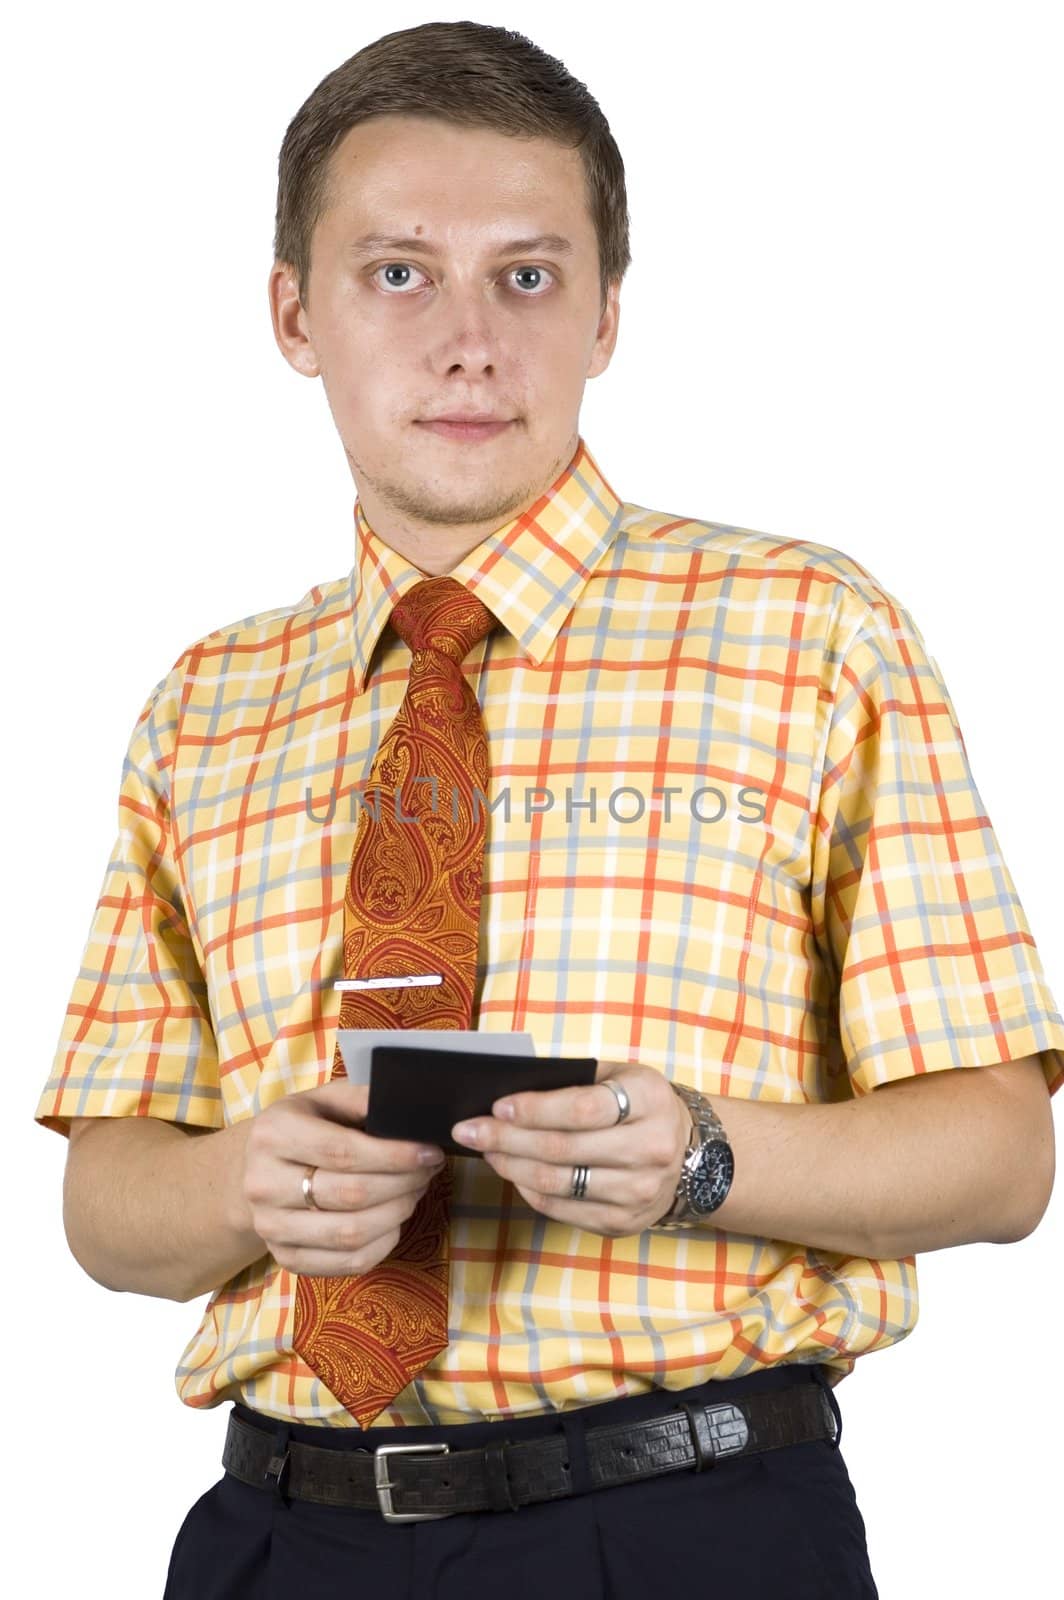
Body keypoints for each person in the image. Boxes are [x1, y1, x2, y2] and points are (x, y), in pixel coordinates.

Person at [35, 19, 1062, 1599]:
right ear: (293, 315)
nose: (467, 341)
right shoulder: (205, 703)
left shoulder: (811, 634)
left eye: (526, 275)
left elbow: (1001, 1157)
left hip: (686, 1528)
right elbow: (108, 1202)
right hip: (281, 1535)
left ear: (607, 314)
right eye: (397, 273)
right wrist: (243, 1180)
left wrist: (709, 1157)